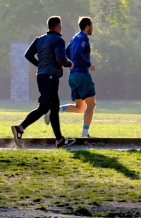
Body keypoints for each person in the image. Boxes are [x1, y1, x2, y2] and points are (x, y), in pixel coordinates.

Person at [11, 15, 76, 149]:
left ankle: (59, 140)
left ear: (48, 26)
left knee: (53, 108)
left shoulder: (39, 40)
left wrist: (39, 65)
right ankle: (19, 128)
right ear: (58, 26)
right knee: (45, 108)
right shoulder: (58, 40)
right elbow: (60, 58)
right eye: (60, 25)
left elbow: (28, 55)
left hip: (41, 76)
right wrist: (69, 64)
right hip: (50, 78)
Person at [60, 16, 96, 141]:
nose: (92, 28)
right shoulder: (83, 38)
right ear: (87, 26)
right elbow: (77, 54)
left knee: (80, 107)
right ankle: (85, 134)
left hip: (73, 76)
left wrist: (71, 63)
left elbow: (66, 52)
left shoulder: (75, 37)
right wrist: (88, 64)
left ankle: (55, 110)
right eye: (92, 25)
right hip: (82, 75)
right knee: (91, 105)